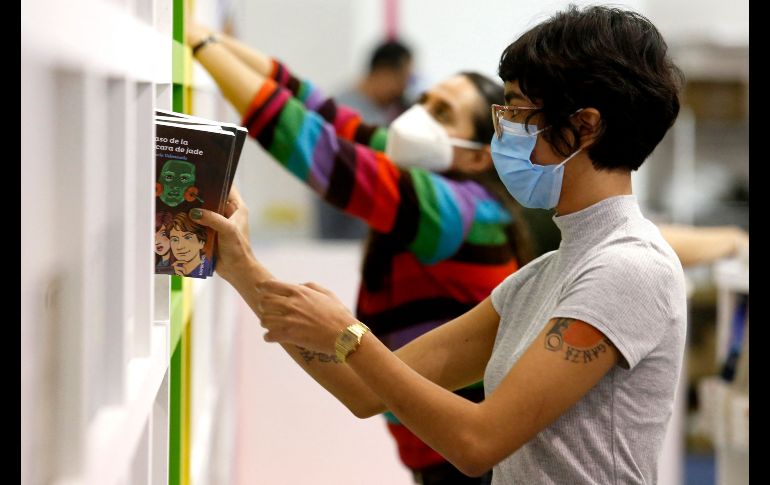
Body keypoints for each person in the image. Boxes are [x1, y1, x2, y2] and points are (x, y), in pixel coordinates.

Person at [191, 5, 691, 483]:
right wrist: (241, 268)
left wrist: (349, 334)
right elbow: (364, 391)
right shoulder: (543, 276)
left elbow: (477, 443)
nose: (505, 131)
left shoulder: (627, 268)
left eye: (518, 110)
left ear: (584, 125)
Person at [187, 20, 531, 485]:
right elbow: (318, 108)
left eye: (443, 113)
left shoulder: (455, 209)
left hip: (467, 461)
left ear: (476, 156)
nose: (420, 117)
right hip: (440, 454)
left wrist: (201, 44)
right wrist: (208, 36)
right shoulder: (449, 189)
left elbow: (321, 150)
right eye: (424, 102)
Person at [318, 39, 414, 240]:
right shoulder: (347, 112)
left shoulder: (380, 111)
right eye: (404, 79)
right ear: (384, 72)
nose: (404, 88)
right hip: (343, 236)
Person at [169, 212, 211, 277]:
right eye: (175, 240)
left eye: (188, 237)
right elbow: (176, 287)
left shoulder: (207, 269)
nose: (180, 246)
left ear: (201, 242)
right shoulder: (176, 268)